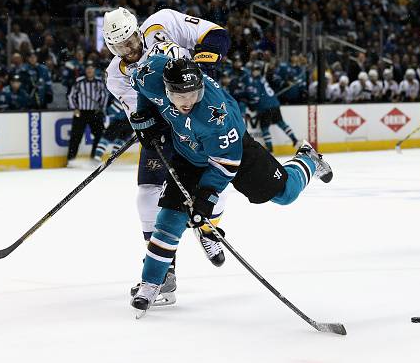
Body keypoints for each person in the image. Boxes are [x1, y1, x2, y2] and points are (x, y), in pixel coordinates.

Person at [128, 55, 333, 313]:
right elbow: (141, 88)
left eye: (193, 94)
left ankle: (308, 159)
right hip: (187, 155)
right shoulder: (151, 74)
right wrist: (144, 115)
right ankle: (151, 284)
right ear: (166, 89)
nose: (188, 102)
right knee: (170, 218)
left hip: (233, 152)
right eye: (180, 96)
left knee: (286, 194)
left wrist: (205, 198)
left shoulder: (216, 118)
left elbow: (225, 166)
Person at [102, 7, 231, 305]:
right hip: (168, 129)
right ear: (112, 47)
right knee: (147, 195)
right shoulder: (115, 76)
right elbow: (142, 112)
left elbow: (216, 36)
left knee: (216, 182)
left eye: (132, 40)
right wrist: (146, 125)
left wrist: (204, 66)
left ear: (137, 30)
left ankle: (207, 229)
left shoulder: (163, 23)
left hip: (202, 117)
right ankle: (164, 274)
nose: (130, 49)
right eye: (121, 47)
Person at [246, 60, 298, 152]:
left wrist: (252, 104)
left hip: (266, 106)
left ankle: (270, 149)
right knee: (281, 123)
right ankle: (294, 139)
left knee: (264, 128)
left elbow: (255, 98)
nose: (255, 71)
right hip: (275, 103)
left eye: (256, 70)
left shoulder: (256, 82)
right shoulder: (263, 79)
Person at [66, 61, 107, 165]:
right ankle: (71, 160)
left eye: (91, 68)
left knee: (99, 135)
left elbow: (104, 95)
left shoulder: (99, 82)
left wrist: (101, 107)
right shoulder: (79, 82)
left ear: (94, 70)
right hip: (81, 113)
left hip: (95, 112)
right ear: (85, 70)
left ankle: (94, 159)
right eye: (88, 68)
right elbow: (71, 96)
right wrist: (75, 108)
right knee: (76, 137)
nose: (89, 70)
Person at [93, 96, 133, 162]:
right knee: (121, 140)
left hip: (119, 122)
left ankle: (97, 157)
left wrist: (105, 113)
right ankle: (114, 158)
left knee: (105, 139)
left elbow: (112, 111)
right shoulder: (136, 95)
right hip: (131, 123)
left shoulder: (124, 95)